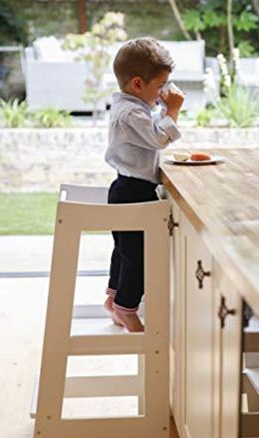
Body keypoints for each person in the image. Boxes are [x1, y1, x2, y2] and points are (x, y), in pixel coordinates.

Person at [103, 36, 184, 332]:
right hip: (133, 193)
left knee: (124, 251)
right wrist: (172, 111)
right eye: (160, 85)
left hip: (127, 188)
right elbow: (158, 138)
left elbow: (153, 131)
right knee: (138, 256)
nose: (164, 91)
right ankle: (127, 308)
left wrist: (163, 111)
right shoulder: (131, 113)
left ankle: (114, 301)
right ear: (138, 84)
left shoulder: (131, 107)